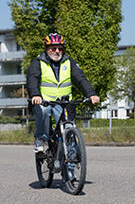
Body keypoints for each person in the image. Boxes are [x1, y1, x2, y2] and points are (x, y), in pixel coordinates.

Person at [27, 33, 100, 177]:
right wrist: (35, 95)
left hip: (65, 103)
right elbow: (32, 79)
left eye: (60, 48)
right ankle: (41, 138)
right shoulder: (38, 62)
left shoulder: (69, 62)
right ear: (46, 49)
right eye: (53, 48)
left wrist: (91, 93)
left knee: (70, 132)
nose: (57, 51)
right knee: (42, 110)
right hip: (46, 101)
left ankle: (70, 171)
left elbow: (81, 79)